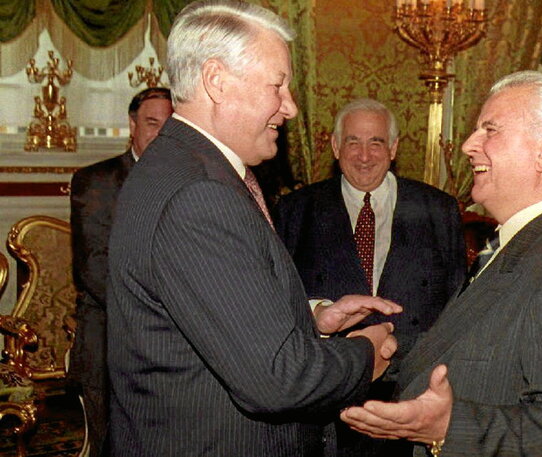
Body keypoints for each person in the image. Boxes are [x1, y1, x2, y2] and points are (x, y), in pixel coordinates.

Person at [106, 2, 399, 456]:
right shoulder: (199, 193)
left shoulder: (179, 165)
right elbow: (277, 380)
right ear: (217, 81)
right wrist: (365, 352)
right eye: (278, 86)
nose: (291, 107)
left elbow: (207, 308)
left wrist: (311, 320)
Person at [340, 70, 542, 456]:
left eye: (489, 130)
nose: (467, 145)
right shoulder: (516, 243)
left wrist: (448, 428)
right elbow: (477, 345)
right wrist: (392, 350)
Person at [274, 98, 466, 456]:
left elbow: (456, 303)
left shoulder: (437, 209)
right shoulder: (296, 210)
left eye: (376, 142)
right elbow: (279, 302)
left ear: (393, 148)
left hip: (411, 396)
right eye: (353, 142)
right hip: (329, 402)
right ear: (335, 146)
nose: (364, 155)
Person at [68, 86, 173, 457]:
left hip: (176, 345)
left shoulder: (191, 180)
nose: (160, 133)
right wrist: (162, 316)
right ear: (132, 125)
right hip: (112, 337)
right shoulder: (96, 181)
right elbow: (94, 269)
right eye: (151, 123)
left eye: (170, 124)